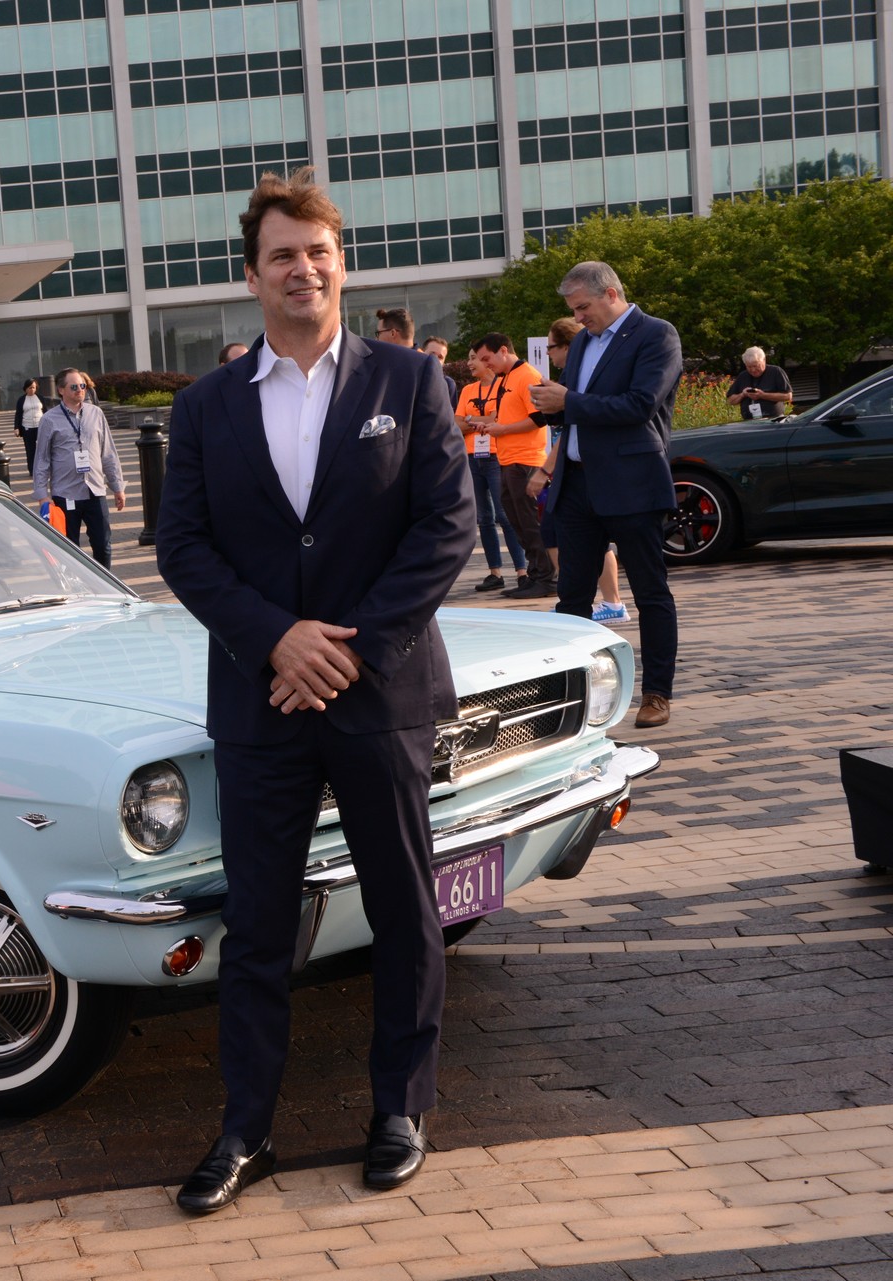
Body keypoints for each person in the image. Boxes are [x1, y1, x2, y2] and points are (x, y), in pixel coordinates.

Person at [155, 167, 473, 1212]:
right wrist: (278, 641)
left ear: (342, 264)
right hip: (262, 701)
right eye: (284, 254)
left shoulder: (409, 383)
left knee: (401, 909)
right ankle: (247, 1132)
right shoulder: (204, 407)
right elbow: (184, 547)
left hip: (379, 693)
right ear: (252, 276)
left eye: (320, 251)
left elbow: (445, 530)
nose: (304, 268)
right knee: (255, 926)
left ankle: (401, 1107)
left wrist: (353, 648)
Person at [530, 260, 682, 728]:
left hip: (631, 483)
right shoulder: (582, 345)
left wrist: (568, 402)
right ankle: (566, 699)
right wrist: (549, 409)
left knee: (650, 591)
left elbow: (640, 404)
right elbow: (580, 408)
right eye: (574, 311)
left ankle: (656, 694)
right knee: (571, 595)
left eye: (583, 307)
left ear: (611, 294)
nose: (578, 318)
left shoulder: (656, 335)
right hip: (576, 485)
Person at [530, 319, 628, 622]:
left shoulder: (580, 379)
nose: (548, 354)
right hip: (572, 473)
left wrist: (543, 471)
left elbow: (575, 433)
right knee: (566, 536)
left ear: (568, 346)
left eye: (551, 347)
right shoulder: (569, 376)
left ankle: (610, 602)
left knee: (594, 539)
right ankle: (580, 603)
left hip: (591, 472)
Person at [465, 334, 552, 600]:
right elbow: (509, 417)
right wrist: (491, 426)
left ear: (503, 350)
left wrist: (502, 429)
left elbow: (539, 419)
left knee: (528, 522)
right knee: (517, 522)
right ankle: (535, 576)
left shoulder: (527, 376)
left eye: (486, 358)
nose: (484, 364)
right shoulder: (506, 379)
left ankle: (546, 579)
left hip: (525, 460)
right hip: (508, 460)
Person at [32, 366, 126, 567]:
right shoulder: (49, 420)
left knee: (103, 546)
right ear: (61, 390)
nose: (79, 390)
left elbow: (108, 452)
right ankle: (77, 590)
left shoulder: (96, 414)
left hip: (94, 490)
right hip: (66, 494)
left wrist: (117, 487)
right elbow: (41, 460)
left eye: (82, 386)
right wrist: (42, 496)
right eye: (74, 386)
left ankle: (105, 589)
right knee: (69, 549)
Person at [455, 346, 526, 591]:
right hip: (472, 457)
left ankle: (522, 571)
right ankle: (494, 573)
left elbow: (500, 419)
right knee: (484, 518)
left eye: (474, 358)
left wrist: (472, 421)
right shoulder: (467, 390)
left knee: (505, 515)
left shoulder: (502, 386)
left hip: (497, 456)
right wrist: (484, 420)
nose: (470, 363)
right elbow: (456, 423)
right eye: (469, 358)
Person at [727, 346, 792, 420]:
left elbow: (788, 396)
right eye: (749, 367)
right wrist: (743, 394)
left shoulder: (776, 372)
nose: (753, 370)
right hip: (750, 423)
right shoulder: (742, 376)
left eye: (756, 366)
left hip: (773, 421)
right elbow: (730, 400)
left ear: (764, 360)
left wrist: (763, 395)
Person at [12, 377, 45, 475]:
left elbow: (46, 411)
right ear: (26, 388)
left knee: (42, 449)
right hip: (27, 427)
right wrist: (16, 427)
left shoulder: (40, 398)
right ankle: (32, 470)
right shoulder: (21, 400)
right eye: (30, 388)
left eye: (34, 388)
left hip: (40, 426)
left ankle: (43, 469)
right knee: (30, 450)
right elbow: (18, 414)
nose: (32, 390)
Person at [422, 337, 459, 406]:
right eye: (432, 354)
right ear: (422, 353)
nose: (435, 359)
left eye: (440, 357)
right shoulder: (411, 378)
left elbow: (451, 414)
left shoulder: (449, 384)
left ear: (444, 362)